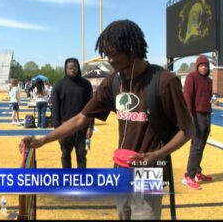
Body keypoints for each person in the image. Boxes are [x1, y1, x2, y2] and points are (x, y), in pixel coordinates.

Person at [20, 20, 193, 220]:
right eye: (106, 54)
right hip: (120, 170)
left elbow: (188, 130)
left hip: (149, 173)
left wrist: (156, 155)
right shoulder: (113, 82)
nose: (109, 60)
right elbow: (80, 119)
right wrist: (43, 140)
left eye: (113, 54)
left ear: (130, 49)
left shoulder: (164, 81)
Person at [52, 58, 94, 168]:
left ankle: (81, 180)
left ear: (78, 68)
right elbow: (55, 109)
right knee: (65, 155)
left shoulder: (86, 85)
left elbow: (91, 107)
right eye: (70, 68)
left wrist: (90, 126)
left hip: (81, 127)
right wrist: (57, 130)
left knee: (81, 156)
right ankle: (67, 180)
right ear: (65, 69)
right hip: (65, 128)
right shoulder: (59, 86)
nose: (72, 70)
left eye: (75, 68)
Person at [182, 55, 214, 190]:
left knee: (201, 146)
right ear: (197, 66)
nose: (204, 67)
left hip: (207, 116)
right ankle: (188, 176)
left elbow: (208, 97)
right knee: (196, 146)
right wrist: (190, 118)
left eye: (206, 65)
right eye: (201, 65)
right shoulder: (191, 78)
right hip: (196, 116)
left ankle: (197, 172)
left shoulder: (209, 81)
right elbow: (187, 98)